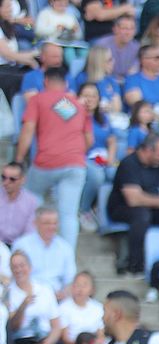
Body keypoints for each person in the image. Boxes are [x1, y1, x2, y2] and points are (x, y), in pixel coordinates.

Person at [18, 67, 91, 251]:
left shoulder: (38, 99)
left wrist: (18, 160)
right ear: (66, 84)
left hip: (46, 161)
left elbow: (27, 131)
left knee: (30, 201)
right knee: (68, 215)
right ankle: (68, 261)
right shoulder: (73, 104)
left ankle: (29, 250)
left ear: (45, 82)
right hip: (75, 163)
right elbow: (89, 140)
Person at [107, 132, 159, 275]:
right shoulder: (129, 164)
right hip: (122, 208)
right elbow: (134, 199)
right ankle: (134, 265)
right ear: (148, 150)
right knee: (142, 216)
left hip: (150, 207)